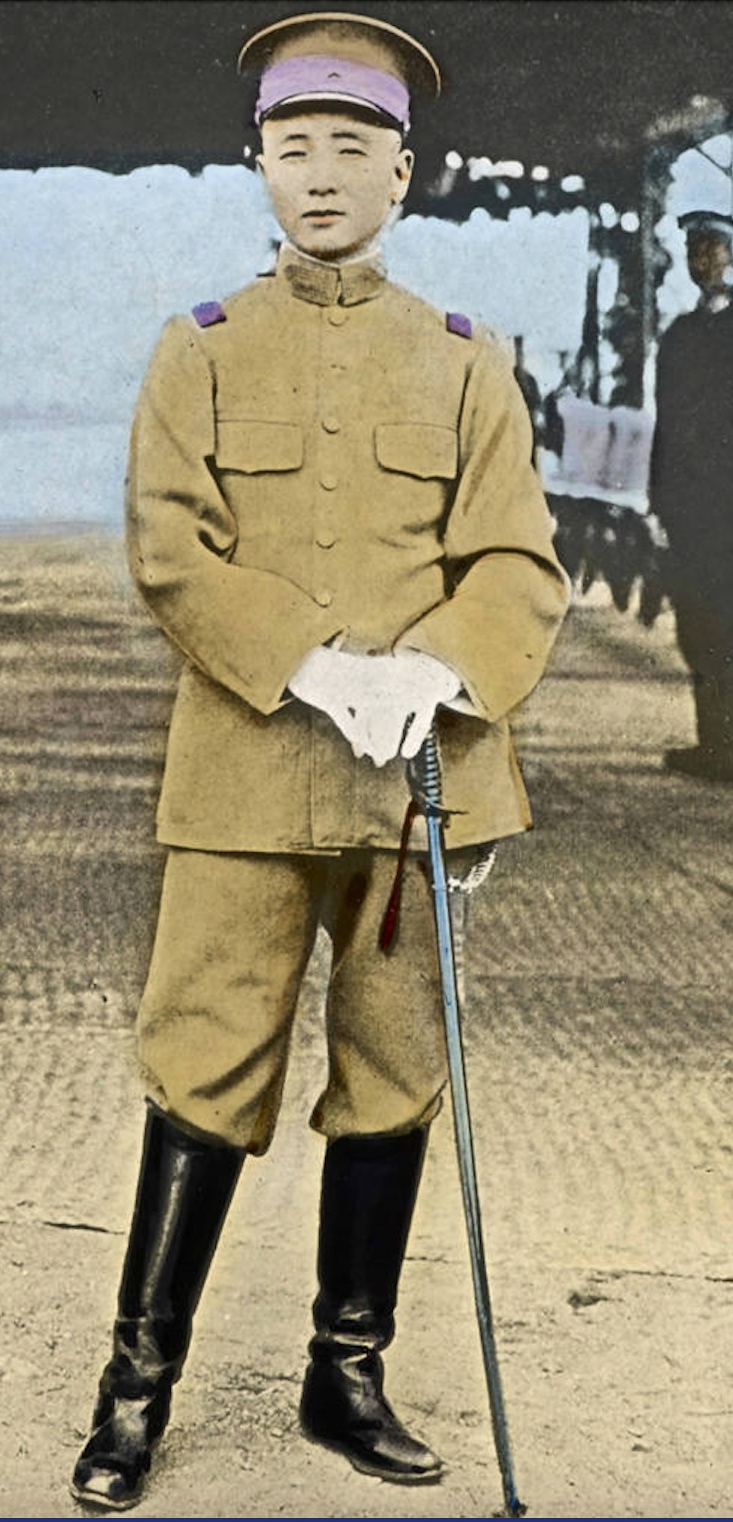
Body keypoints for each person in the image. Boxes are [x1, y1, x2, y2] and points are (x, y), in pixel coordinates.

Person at [70, 9, 570, 1511]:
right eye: (294, 148)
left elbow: (517, 562)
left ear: (403, 172)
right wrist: (314, 663)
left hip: (414, 788)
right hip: (242, 777)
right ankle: (134, 1392)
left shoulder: (467, 361)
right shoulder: (201, 348)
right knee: (201, 1068)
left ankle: (344, 1374)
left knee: (392, 1077)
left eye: (352, 147)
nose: (322, 174)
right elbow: (170, 547)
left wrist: (432, 671)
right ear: (259, 166)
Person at [649, 208, 733, 781]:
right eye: (694, 252)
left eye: (712, 249)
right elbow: (666, 423)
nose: (702, 260)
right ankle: (712, 742)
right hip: (689, 507)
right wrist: (658, 498)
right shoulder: (678, 335)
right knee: (697, 622)